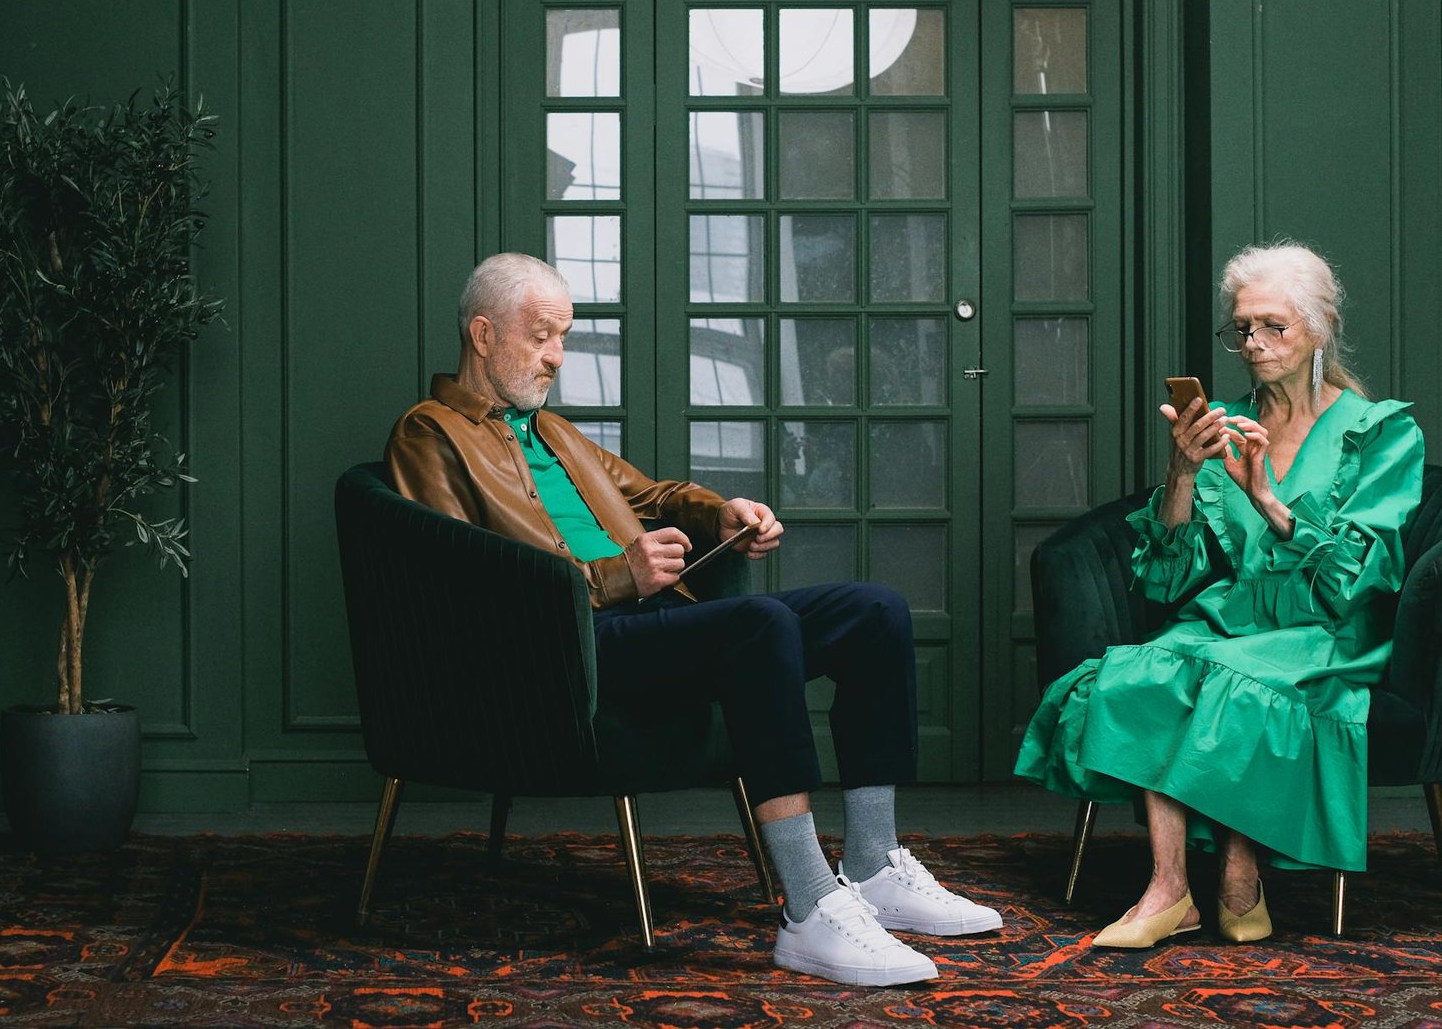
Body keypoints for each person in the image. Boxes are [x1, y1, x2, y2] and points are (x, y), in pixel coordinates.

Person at [386, 252, 1001, 986]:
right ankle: (810, 907)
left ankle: (873, 864)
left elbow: (652, 494)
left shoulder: (550, 433)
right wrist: (617, 576)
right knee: (759, 624)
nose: (557, 356)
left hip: (648, 623)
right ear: (483, 335)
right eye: (540, 335)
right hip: (566, 647)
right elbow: (462, 579)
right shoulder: (429, 434)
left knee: (874, 611)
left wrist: (721, 514)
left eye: (564, 337)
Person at [1015, 242, 1425, 947]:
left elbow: (1356, 579)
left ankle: (1239, 875)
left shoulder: (1380, 431)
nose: (1253, 343)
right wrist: (1181, 471)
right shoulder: (1225, 423)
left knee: (1230, 680)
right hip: (1230, 616)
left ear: (1319, 328)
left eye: (1273, 326)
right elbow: (1168, 578)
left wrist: (1266, 499)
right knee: (1140, 671)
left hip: (1325, 630)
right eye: (1241, 328)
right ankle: (1170, 889)